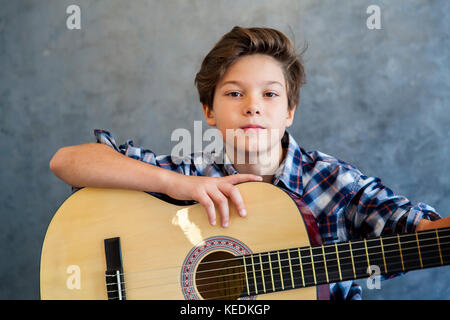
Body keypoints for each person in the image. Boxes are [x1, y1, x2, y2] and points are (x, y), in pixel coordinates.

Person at [49, 26, 449, 299]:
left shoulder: (335, 182)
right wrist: (181, 186)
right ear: (209, 110)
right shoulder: (192, 174)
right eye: (234, 94)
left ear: (290, 110)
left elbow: (422, 229)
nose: (253, 107)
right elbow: (68, 161)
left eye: (270, 95)